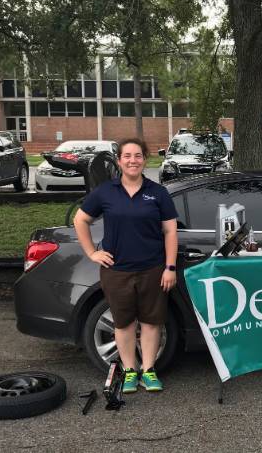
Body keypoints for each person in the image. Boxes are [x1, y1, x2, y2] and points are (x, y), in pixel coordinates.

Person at [73, 137, 178, 394]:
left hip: (153, 269)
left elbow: (170, 232)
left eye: (138, 156)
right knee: (123, 323)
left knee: (152, 322)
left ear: (145, 160)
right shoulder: (106, 191)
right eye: (127, 156)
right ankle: (130, 370)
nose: (133, 160)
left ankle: (149, 370)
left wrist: (170, 267)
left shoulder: (158, 193)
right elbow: (80, 220)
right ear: (119, 161)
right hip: (117, 271)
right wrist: (91, 253)